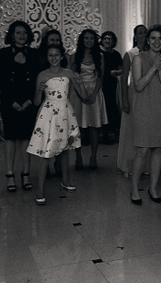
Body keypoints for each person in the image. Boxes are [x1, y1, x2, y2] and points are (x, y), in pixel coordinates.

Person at [27, 44, 81, 205]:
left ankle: (65, 180)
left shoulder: (69, 73)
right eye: (50, 55)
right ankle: (40, 189)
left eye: (56, 54)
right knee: (46, 151)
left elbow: (83, 94)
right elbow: (36, 101)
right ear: (47, 57)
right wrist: (39, 91)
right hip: (49, 113)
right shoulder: (42, 75)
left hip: (64, 112)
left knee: (64, 149)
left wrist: (80, 82)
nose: (54, 58)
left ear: (62, 56)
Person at [129, 24, 161, 205]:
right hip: (142, 108)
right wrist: (154, 68)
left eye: (160, 39)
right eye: (153, 38)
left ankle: (153, 188)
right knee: (142, 150)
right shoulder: (138, 58)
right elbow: (139, 86)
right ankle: (134, 189)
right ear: (148, 40)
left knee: (157, 149)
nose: (157, 42)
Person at [0, 21, 39, 192]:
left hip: (28, 101)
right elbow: (1, 79)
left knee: (26, 138)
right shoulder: (4, 53)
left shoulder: (33, 53)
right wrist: (11, 101)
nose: (22, 36)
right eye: (18, 32)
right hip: (10, 102)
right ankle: (9, 175)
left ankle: (26, 174)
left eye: (25, 32)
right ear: (12, 35)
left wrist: (29, 100)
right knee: (10, 138)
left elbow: (36, 78)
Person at [72, 29, 108, 170]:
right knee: (77, 126)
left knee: (94, 125)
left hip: (94, 91)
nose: (89, 41)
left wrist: (93, 94)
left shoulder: (100, 56)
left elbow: (101, 76)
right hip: (78, 92)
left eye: (92, 38)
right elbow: (73, 77)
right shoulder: (74, 56)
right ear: (82, 40)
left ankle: (93, 156)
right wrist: (80, 94)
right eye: (86, 38)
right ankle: (78, 156)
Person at [117, 24, 147, 176]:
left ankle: (145, 165)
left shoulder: (151, 53)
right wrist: (124, 100)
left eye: (144, 32)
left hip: (148, 94)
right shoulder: (130, 54)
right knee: (132, 129)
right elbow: (124, 78)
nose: (142, 35)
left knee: (145, 129)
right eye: (140, 33)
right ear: (135, 36)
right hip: (133, 93)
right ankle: (129, 164)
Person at [100, 31, 123, 144]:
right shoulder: (98, 53)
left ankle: (109, 133)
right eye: (105, 38)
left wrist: (116, 72)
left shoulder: (116, 54)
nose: (107, 41)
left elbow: (122, 69)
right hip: (99, 83)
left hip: (111, 84)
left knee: (111, 108)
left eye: (110, 39)